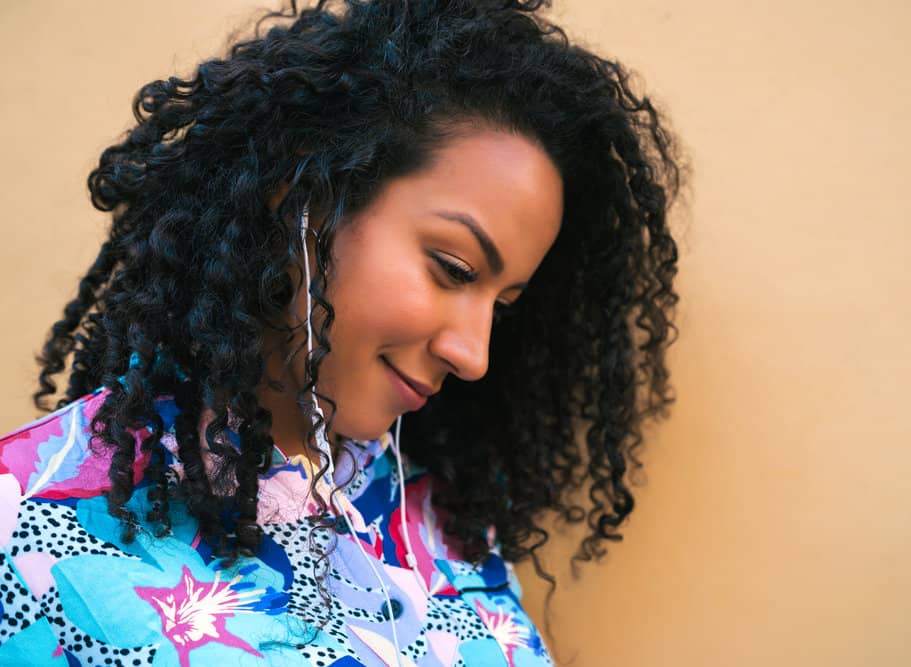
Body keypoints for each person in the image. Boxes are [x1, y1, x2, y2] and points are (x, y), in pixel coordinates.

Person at [0, 0, 682, 664]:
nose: (474, 355)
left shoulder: (442, 520)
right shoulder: (28, 524)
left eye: (502, 304)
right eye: (452, 267)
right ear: (302, 193)